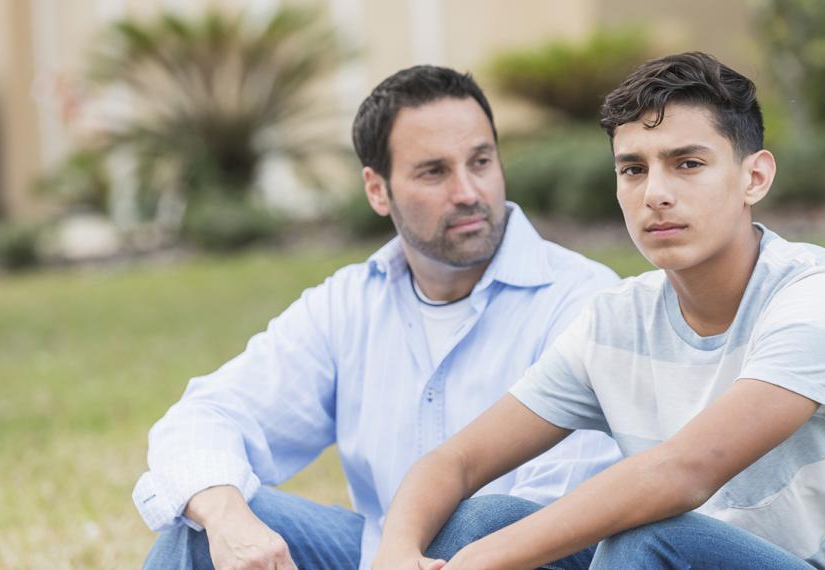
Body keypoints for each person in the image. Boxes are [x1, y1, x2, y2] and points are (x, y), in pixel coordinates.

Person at [374, 52, 825, 569]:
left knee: (648, 538)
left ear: (753, 177)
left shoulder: (821, 299)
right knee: (481, 519)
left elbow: (682, 473)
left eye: (687, 163)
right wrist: (397, 555)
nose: (655, 192)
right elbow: (455, 460)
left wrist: (482, 562)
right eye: (633, 169)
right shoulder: (615, 324)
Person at [133, 65, 622, 570]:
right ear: (377, 189)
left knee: (481, 519)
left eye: (481, 161)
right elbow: (205, 416)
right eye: (434, 172)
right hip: (381, 558)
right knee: (200, 527)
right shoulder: (350, 304)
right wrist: (226, 518)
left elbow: (562, 506)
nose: (468, 192)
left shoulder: (583, 299)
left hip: (516, 558)